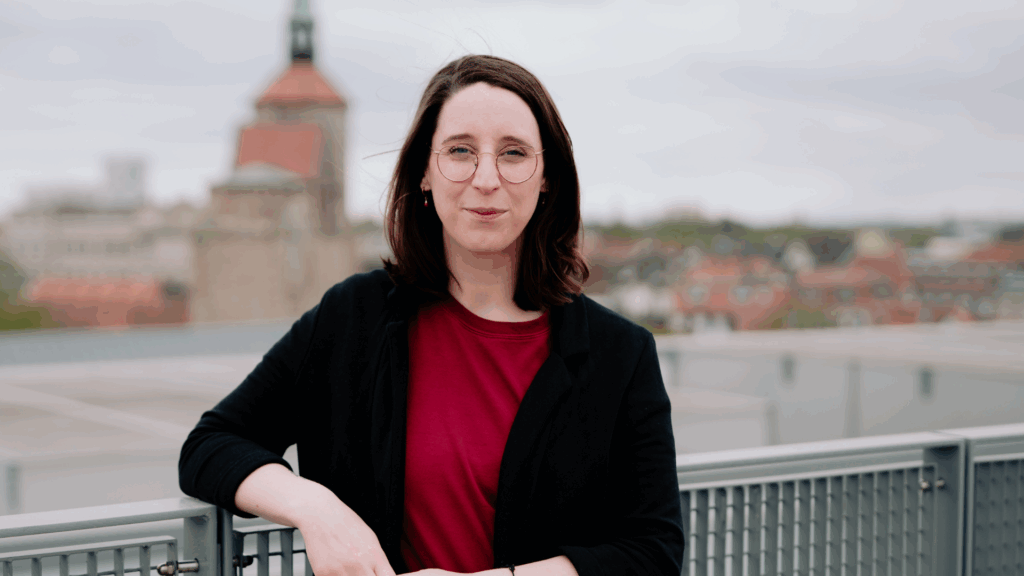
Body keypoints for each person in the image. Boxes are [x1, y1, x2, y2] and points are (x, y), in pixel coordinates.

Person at [178, 54, 684, 576]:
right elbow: (211, 445)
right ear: (424, 171)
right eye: (460, 150)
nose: (485, 178)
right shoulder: (353, 318)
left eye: (513, 153)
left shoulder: (619, 353)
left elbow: (653, 551)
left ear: (547, 177)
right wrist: (319, 510)